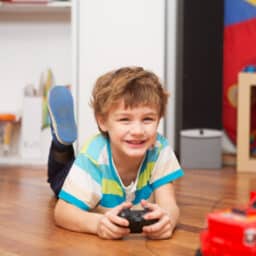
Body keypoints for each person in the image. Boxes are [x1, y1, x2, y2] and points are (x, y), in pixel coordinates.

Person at [47, 66, 184, 240]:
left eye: (148, 119)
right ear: (102, 121)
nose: (137, 131)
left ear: (159, 119)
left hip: (98, 187)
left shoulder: (158, 148)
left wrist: (168, 221)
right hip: (88, 178)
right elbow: (62, 212)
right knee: (60, 182)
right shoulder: (93, 156)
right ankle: (61, 146)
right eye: (125, 120)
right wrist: (97, 224)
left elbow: (169, 205)